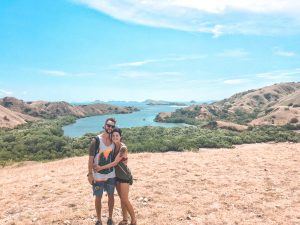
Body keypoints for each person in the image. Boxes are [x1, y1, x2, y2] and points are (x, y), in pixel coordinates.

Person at [94, 128, 137, 225]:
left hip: (124, 177)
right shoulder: (114, 146)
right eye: (113, 136)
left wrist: (100, 168)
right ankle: (125, 219)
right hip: (117, 176)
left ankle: (133, 220)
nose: (115, 137)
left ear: (120, 137)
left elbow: (115, 162)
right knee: (122, 199)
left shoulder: (123, 148)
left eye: (117, 135)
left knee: (125, 199)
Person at [87, 118, 117, 225]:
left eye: (112, 126)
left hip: (111, 175)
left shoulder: (114, 140)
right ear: (104, 125)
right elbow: (90, 159)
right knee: (98, 197)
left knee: (111, 196)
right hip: (98, 176)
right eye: (108, 125)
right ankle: (99, 219)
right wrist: (90, 174)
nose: (110, 128)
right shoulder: (96, 140)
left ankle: (110, 218)